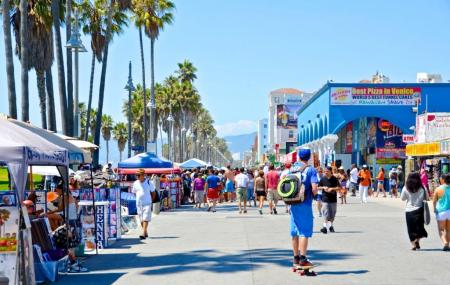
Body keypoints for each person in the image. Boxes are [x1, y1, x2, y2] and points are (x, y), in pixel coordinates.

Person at [290, 148, 319, 270]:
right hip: (304, 203)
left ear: (298, 157)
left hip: (292, 202)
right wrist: (316, 196)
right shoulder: (310, 170)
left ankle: (295, 258)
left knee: (295, 231)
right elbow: (314, 187)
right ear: (309, 157)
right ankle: (303, 259)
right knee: (304, 231)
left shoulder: (291, 169)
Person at [401, 172, 429, 250]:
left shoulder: (406, 187)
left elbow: (402, 198)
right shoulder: (422, 187)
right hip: (419, 210)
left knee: (410, 228)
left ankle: (413, 244)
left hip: (409, 210)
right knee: (419, 227)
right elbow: (427, 197)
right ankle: (417, 241)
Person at [131, 169, 156, 240]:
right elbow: (134, 192)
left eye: (138, 175)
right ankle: (145, 232)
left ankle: (143, 233)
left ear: (143, 175)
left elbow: (153, 192)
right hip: (139, 203)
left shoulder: (149, 182)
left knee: (145, 218)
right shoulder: (135, 183)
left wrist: (151, 200)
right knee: (141, 219)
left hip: (147, 203)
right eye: (136, 175)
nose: (137, 177)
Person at [318, 167, 341, 234]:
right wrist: (323, 187)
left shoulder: (334, 179)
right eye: (325, 171)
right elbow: (318, 187)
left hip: (333, 199)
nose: (325, 172)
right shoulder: (323, 178)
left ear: (331, 172)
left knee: (332, 215)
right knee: (325, 212)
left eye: (327, 171)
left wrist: (332, 189)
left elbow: (339, 188)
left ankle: (330, 226)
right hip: (325, 198)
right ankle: (324, 227)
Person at [432, 173, 450, 251]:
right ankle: (448, 245)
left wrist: (434, 209)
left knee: (441, 229)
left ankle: (445, 243)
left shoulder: (438, 189)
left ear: (443, 180)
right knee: (448, 229)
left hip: (441, 211)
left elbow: (434, 201)